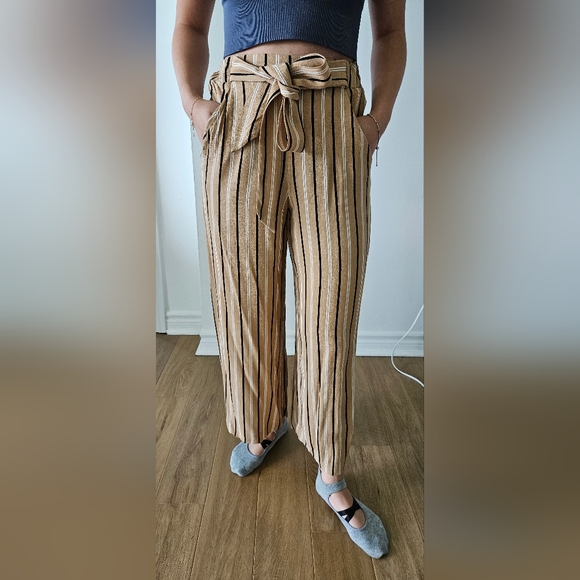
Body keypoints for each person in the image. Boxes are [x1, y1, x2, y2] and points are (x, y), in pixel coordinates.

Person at [172, 0, 407, 559]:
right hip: (240, 111)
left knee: (333, 297)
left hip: (332, 112)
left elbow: (391, 30)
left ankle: (331, 472)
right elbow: (189, 24)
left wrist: (376, 122)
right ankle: (262, 422)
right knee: (243, 292)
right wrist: (194, 106)